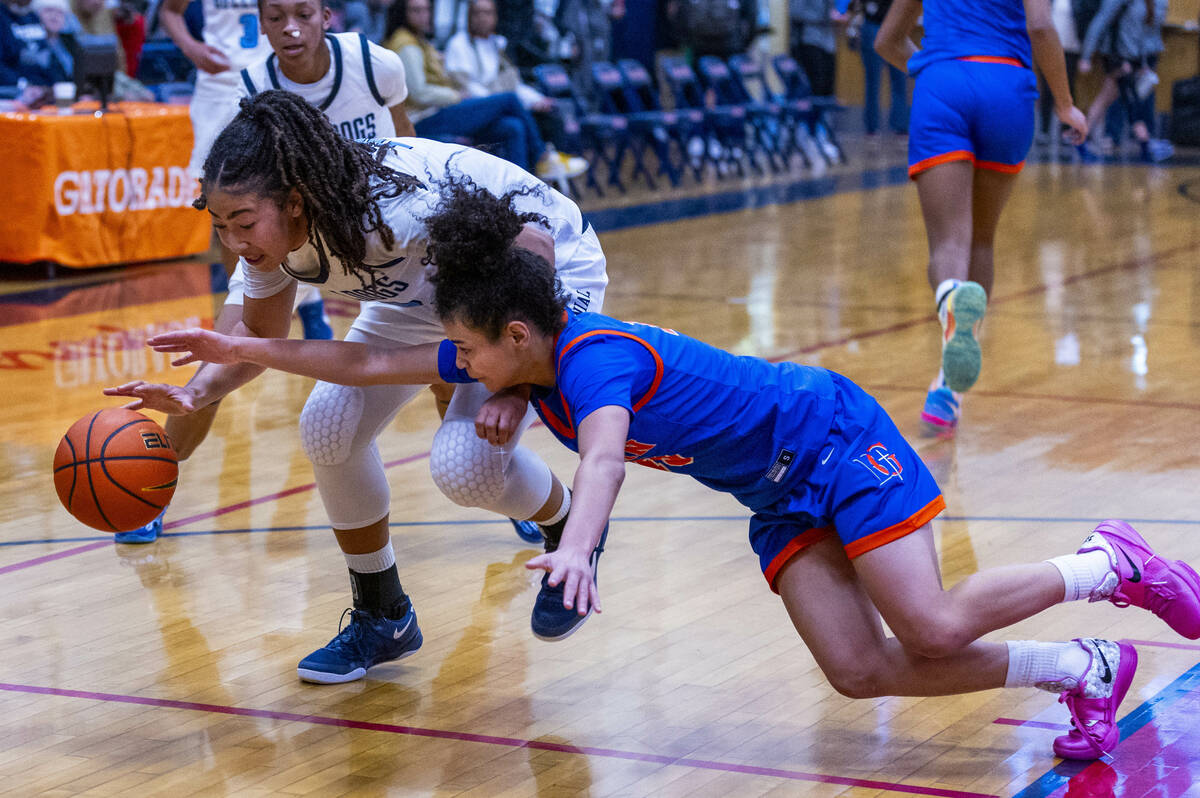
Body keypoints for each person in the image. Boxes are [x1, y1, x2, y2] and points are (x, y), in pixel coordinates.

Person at [135, 181, 1200, 762]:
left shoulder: (595, 360)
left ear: (515, 333)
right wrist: (248, 351)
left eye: (472, 355)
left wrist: (579, 552)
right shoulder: (516, 350)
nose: (460, 371)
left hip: (833, 439)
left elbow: (602, 461)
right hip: (776, 490)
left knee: (924, 626)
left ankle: (1106, 562)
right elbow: (368, 358)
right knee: (859, 671)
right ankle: (1085, 671)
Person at [105, 89, 610, 684]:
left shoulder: (398, 208)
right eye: (219, 225)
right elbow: (263, 341)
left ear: (294, 202)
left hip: (539, 282)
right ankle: (383, 616)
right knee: (327, 428)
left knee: (464, 466)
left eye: (242, 223)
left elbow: (534, 246)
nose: (233, 242)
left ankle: (573, 525)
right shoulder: (266, 236)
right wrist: (197, 392)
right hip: (431, 292)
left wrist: (517, 383)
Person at [126, 0, 419, 546]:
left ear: (326, 15)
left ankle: (505, 480)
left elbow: (408, 143)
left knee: (450, 341)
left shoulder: (375, 63)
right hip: (283, 236)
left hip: (373, 235)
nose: (290, 28)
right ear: (258, 25)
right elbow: (228, 192)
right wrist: (244, 264)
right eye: (277, 16)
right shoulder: (252, 87)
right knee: (221, 348)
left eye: (303, 14)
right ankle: (152, 488)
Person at [874, 0, 1088, 435]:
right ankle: (947, 390)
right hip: (1006, 87)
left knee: (948, 244)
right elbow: (1042, 27)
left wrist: (931, 69)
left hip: (942, 84)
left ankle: (951, 298)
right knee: (981, 241)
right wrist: (1065, 106)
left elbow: (886, 42)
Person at [383, 0, 585, 179]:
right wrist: (455, 95)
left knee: (513, 126)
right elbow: (419, 92)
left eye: (426, 9)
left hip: (448, 110)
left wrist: (534, 100)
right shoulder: (408, 44)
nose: (423, 15)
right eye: (416, 10)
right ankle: (543, 156)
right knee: (508, 100)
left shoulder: (425, 41)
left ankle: (520, 192)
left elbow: (512, 81)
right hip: (424, 119)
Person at [1077, 0, 1172, 163]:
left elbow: (1144, 31)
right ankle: (1145, 145)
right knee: (1130, 100)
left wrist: (1143, 62)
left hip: (1133, 58)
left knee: (1106, 99)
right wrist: (1086, 56)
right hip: (1118, 58)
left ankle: (1079, 137)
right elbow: (1100, 22)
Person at [837, 0, 908, 137]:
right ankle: (882, 126)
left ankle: (881, 126)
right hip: (878, 25)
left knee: (887, 80)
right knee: (877, 80)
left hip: (886, 25)